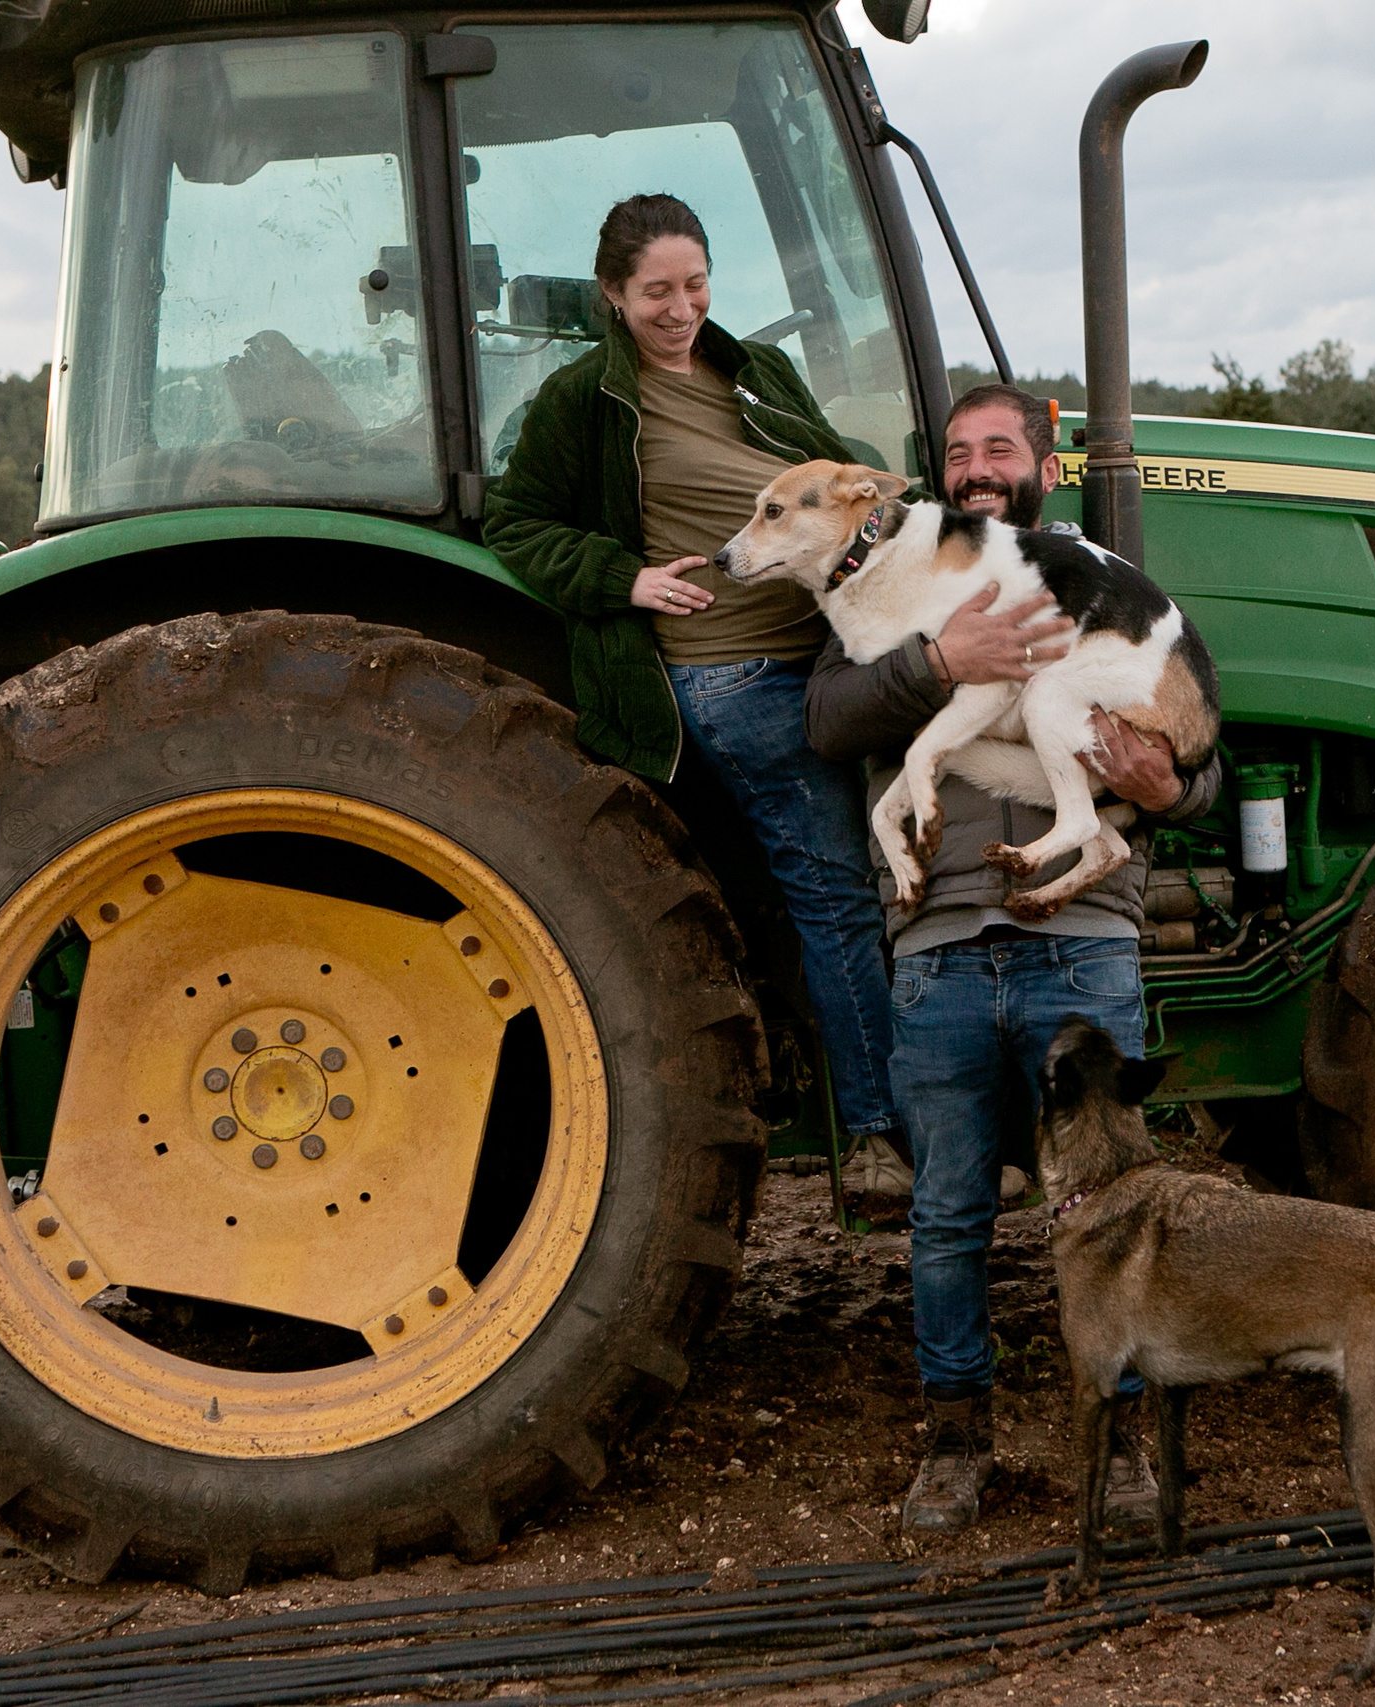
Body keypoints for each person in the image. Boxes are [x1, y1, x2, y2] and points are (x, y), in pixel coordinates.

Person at [805, 382, 1225, 1533]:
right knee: (946, 1213)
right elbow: (830, 718)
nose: (978, 466)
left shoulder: (1092, 580)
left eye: (1001, 448)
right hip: (940, 942)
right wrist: (943, 659)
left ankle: (1128, 1442)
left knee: (1112, 1201)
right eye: (956, 452)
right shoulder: (904, 583)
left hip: (1080, 946)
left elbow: (1201, 758)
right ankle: (954, 1445)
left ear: (1049, 463)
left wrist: (1171, 785)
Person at [484, 193, 908, 1164]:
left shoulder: (754, 369)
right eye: (655, 293)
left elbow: (841, 475)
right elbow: (516, 523)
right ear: (613, 294)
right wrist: (621, 577)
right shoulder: (584, 399)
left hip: (829, 653)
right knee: (836, 890)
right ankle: (882, 1134)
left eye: (694, 286)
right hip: (731, 674)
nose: (679, 309)